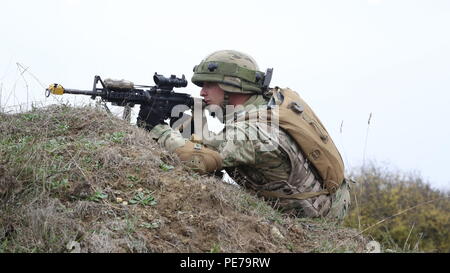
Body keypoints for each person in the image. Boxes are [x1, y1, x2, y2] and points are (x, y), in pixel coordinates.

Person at [137, 50, 350, 220]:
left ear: (232, 85)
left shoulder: (252, 131)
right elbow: (224, 142)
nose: (202, 92)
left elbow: (200, 161)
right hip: (326, 198)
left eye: (209, 84)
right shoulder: (266, 105)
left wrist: (157, 128)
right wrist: (186, 122)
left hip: (311, 217)